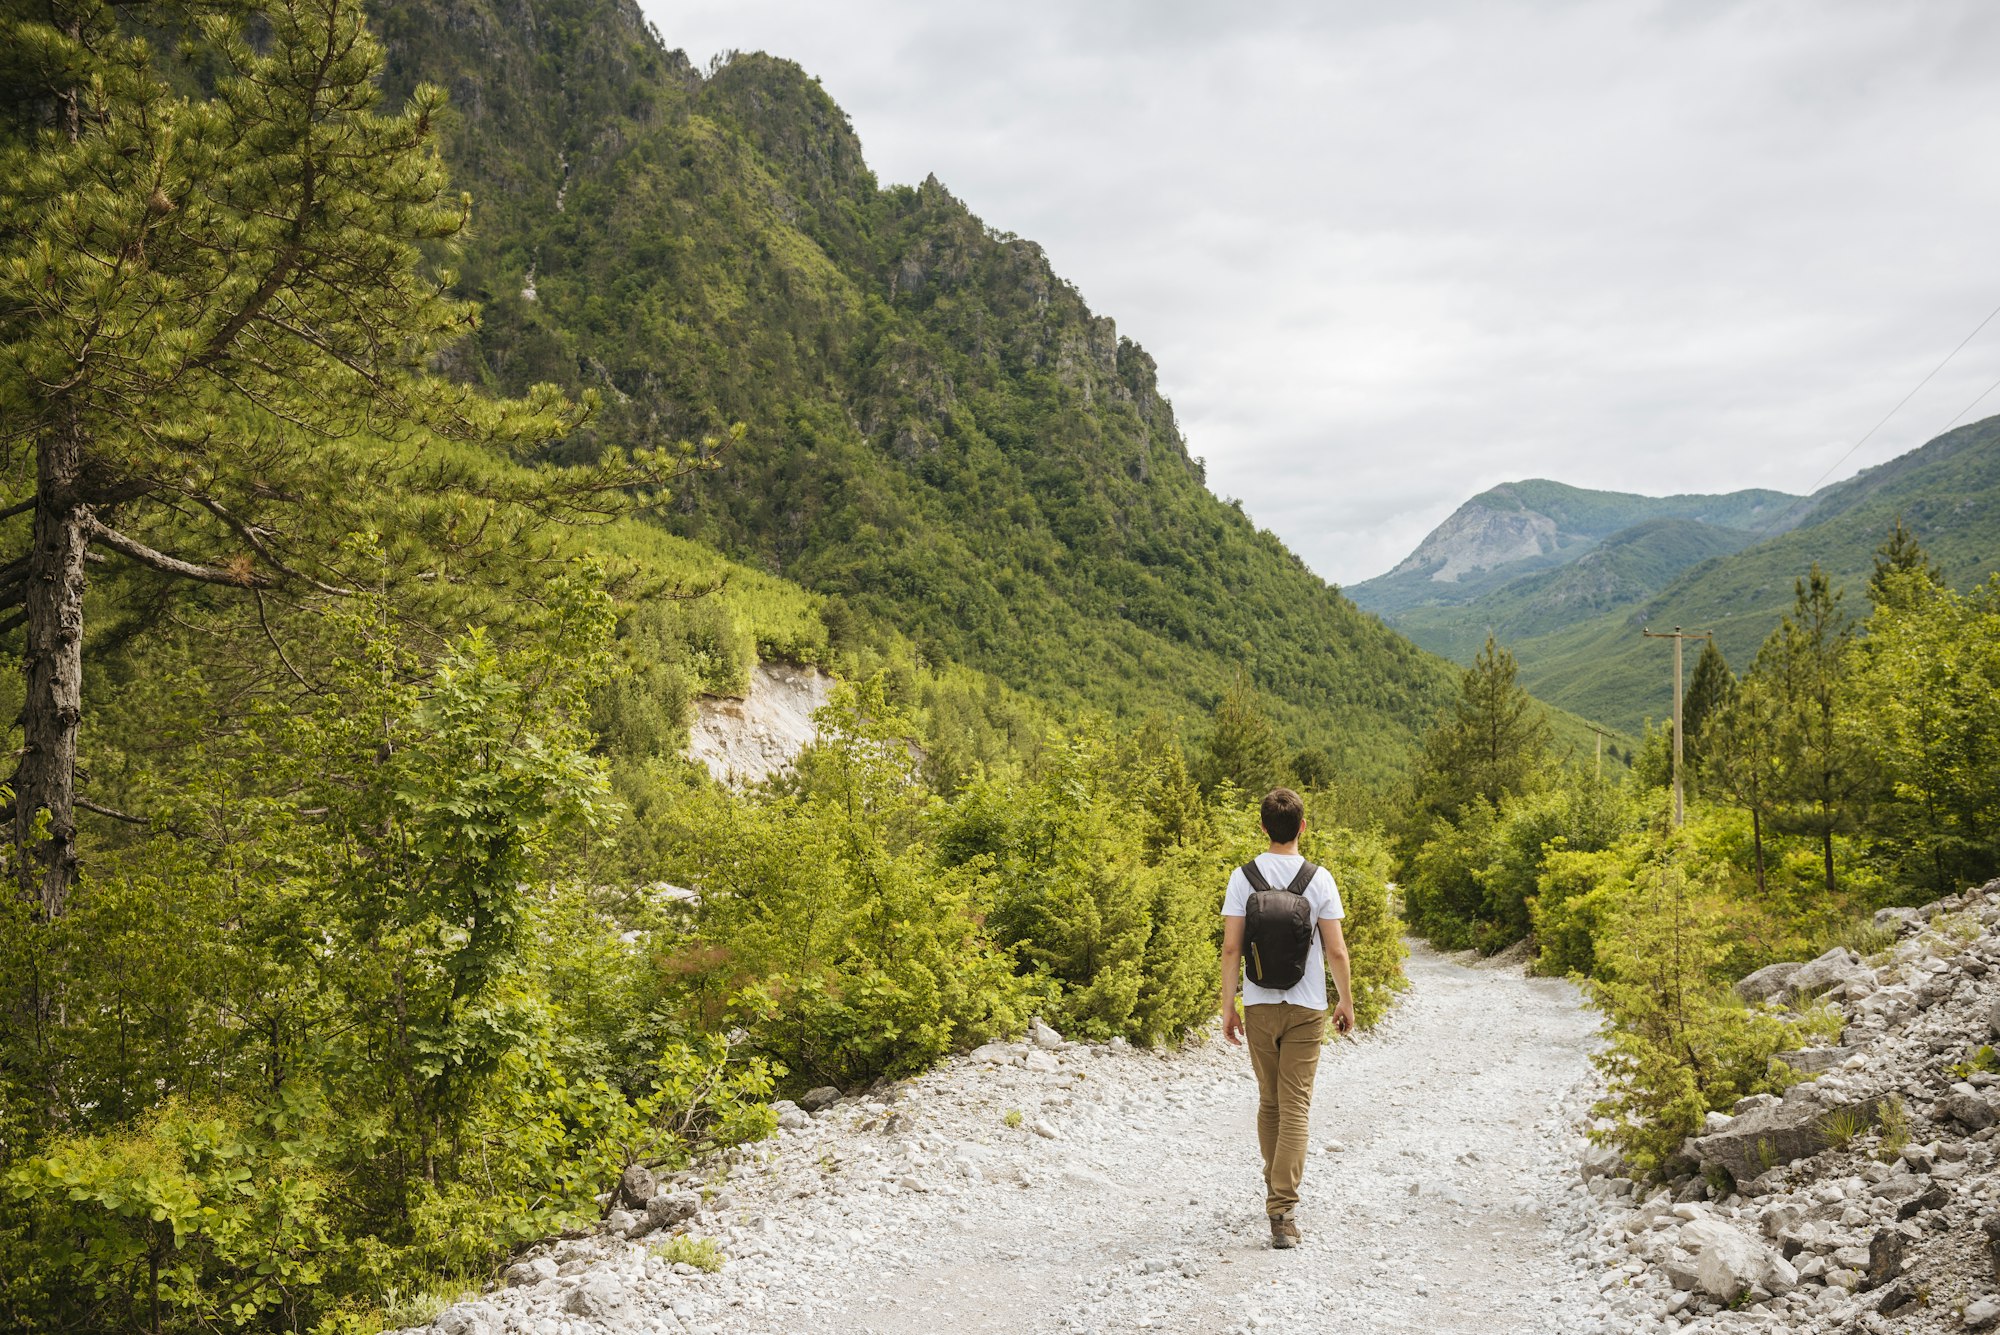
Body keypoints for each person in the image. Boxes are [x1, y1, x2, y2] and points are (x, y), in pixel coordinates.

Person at [1219, 787, 1354, 1250]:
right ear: (1302, 827)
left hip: (1258, 1004)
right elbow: (1335, 949)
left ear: (1262, 828)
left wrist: (1227, 1005)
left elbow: (1232, 948)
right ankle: (1282, 1211)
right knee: (1295, 1106)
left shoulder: (1243, 877)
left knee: (1270, 1101)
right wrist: (1346, 1001)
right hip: (1306, 1005)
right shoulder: (1319, 879)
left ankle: (1275, 1186)